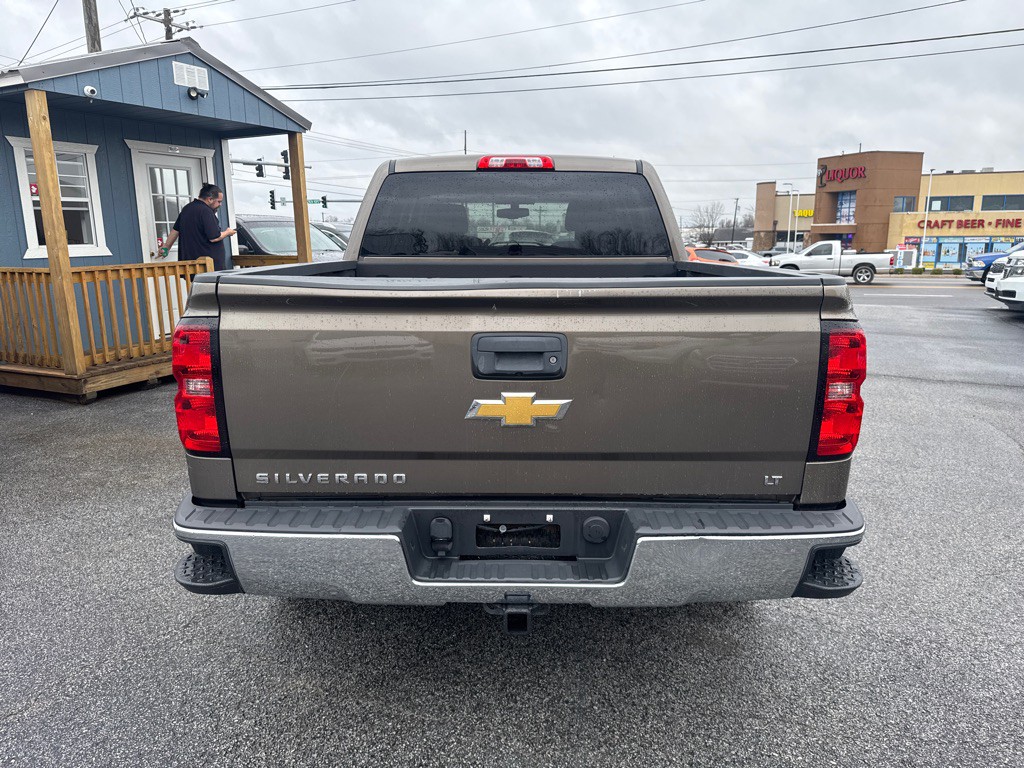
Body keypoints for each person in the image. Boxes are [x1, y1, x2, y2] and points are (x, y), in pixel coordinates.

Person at [159, 183, 235, 270]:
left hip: (191, 266)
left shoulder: (187, 209)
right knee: (210, 284)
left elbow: (175, 230)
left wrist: (166, 247)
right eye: (219, 201)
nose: (220, 204)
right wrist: (228, 232)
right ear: (210, 199)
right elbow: (214, 237)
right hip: (208, 266)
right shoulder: (206, 211)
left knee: (195, 284)